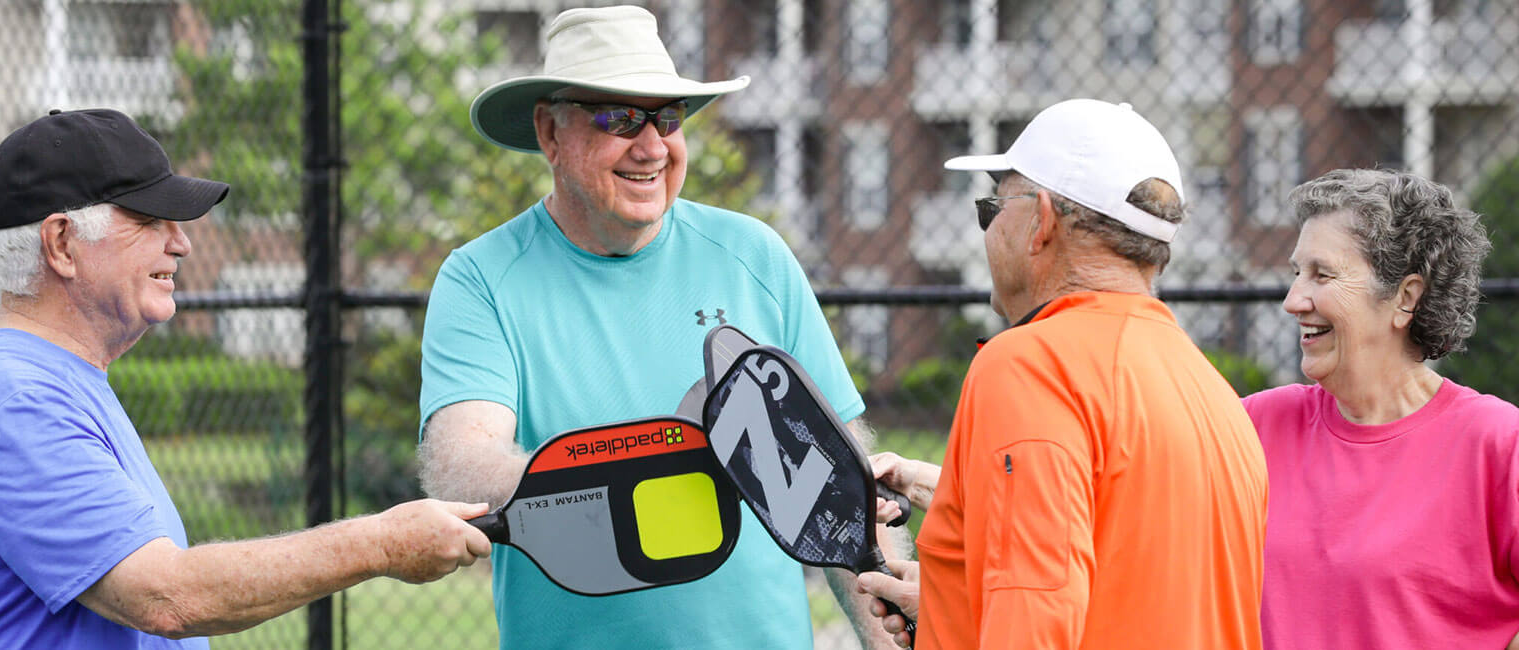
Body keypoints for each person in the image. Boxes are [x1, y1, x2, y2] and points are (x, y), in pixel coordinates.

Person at [0, 108, 491, 649]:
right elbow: (166, 595)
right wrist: (382, 543)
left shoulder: (51, 378)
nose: (181, 242)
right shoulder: (19, 398)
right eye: (150, 219)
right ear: (61, 243)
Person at [415, 5, 904, 649]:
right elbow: (463, 467)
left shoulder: (752, 254)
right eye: (618, 118)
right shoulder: (481, 277)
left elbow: (840, 477)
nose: (650, 146)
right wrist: (677, 459)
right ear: (550, 133)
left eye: (667, 118)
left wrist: (888, 634)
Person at [855, 99, 1269, 649]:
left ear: (1042, 221)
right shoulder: (1211, 391)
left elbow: (1035, 619)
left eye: (992, 207)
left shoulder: (1030, 365)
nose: (988, 229)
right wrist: (950, 610)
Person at [1244, 168, 1519, 648]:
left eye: (1321, 274)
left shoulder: (1496, 443)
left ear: (1405, 297)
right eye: (1295, 273)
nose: (1292, 300)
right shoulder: (1253, 426)